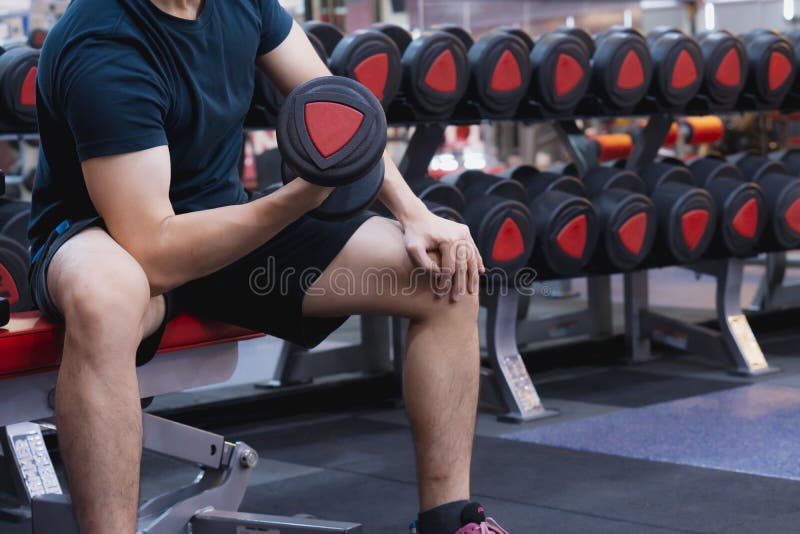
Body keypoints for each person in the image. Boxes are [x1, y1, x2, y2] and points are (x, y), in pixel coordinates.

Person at [28, 1, 509, 532]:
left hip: (226, 222)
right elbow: (152, 249)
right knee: (106, 297)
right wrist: (300, 197)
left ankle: (449, 520)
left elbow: (341, 109)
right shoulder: (103, 40)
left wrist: (415, 214)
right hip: (108, 235)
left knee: (442, 276)